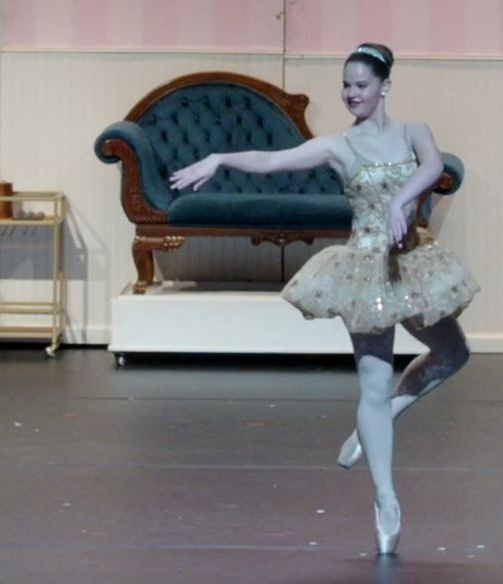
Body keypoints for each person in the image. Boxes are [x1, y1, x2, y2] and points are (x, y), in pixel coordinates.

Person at [169, 44, 478, 555]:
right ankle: (386, 500)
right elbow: (272, 161)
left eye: (361, 85)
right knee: (373, 385)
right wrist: (220, 158)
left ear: (385, 86)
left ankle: (376, 425)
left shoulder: (413, 131)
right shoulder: (339, 146)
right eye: (346, 85)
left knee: (454, 353)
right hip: (366, 270)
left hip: (412, 264)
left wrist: (402, 201)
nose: (352, 93)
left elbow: (433, 167)